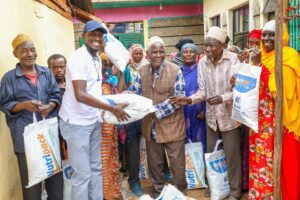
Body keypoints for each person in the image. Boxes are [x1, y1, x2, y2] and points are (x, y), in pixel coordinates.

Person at [58, 20, 129, 200]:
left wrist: (115, 103)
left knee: (96, 169)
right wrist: (112, 108)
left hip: (92, 119)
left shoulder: (97, 57)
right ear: (83, 37)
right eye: (92, 35)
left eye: (100, 35)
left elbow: (94, 92)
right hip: (76, 123)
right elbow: (81, 95)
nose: (97, 38)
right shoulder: (78, 58)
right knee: (82, 175)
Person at [171, 26, 242, 200]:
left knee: (232, 157)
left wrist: (223, 98)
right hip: (211, 118)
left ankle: (234, 191)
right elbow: (202, 92)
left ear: (221, 46)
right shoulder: (203, 62)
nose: (208, 49)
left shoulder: (233, 60)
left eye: (212, 46)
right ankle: (215, 187)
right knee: (211, 156)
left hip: (229, 117)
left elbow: (241, 90)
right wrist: (188, 100)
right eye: (206, 45)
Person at [0, 34, 63, 200]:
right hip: (25, 139)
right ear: (16, 54)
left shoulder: (46, 73)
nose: (30, 54)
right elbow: (4, 104)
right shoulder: (9, 78)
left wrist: (50, 105)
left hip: (48, 137)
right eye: (24, 51)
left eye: (32, 50)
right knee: (32, 188)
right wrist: (24, 105)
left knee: (55, 184)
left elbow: (56, 95)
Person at [129, 36, 187, 197]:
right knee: (155, 164)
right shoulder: (142, 71)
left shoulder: (175, 70)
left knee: (177, 165)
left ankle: (178, 193)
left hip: (172, 126)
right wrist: (124, 97)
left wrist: (154, 111)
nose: (158, 55)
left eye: (162, 51)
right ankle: (159, 193)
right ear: (148, 54)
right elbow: (135, 91)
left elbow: (178, 98)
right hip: (150, 127)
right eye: (155, 52)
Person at [249, 20, 300, 200]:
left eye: (273, 34)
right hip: (261, 121)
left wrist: (260, 68)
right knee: (262, 161)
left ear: (283, 36)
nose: (267, 38)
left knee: (285, 166)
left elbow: (281, 91)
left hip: (281, 120)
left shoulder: (288, 56)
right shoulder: (262, 57)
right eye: (265, 34)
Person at [99, 53, 124, 200]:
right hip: (100, 128)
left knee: (110, 158)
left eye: (104, 64)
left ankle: (112, 192)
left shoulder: (108, 81)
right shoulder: (92, 83)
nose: (103, 66)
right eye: (100, 63)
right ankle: (105, 194)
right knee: (102, 160)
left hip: (110, 128)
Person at [125, 44, 148, 196]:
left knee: (154, 146)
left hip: (146, 111)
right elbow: (122, 89)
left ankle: (161, 175)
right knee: (133, 149)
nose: (138, 56)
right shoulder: (126, 68)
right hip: (130, 113)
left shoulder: (148, 66)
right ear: (131, 54)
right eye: (136, 53)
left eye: (141, 53)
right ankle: (134, 181)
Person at [179, 43, 206, 150]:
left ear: (197, 54)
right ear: (181, 55)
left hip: (198, 114)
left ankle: (200, 166)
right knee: (183, 143)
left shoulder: (202, 70)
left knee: (200, 142)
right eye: (185, 52)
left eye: (192, 51)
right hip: (182, 113)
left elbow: (208, 91)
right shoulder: (177, 71)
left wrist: (205, 109)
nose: (189, 54)